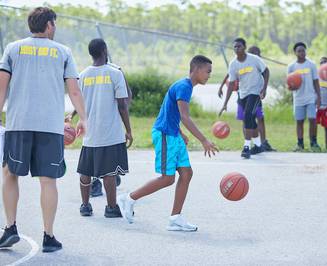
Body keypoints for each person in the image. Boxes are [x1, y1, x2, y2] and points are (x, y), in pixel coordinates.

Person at [0, 7, 87, 252]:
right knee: (48, 181)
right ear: (49, 25)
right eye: (54, 24)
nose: (55, 28)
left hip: (20, 123)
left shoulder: (13, 48)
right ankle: (49, 236)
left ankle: (10, 228)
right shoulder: (63, 51)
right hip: (50, 126)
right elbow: (74, 90)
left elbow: (1, 88)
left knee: (9, 173)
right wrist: (84, 119)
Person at [117, 55, 218, 231]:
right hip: (164, 134)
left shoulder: (185, 86)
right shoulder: (184, 87)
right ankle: (129, 198)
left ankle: (175, 218)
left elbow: (171, 112)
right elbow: (185, 116)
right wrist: (204, 140)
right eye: (208, 71)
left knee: (186, 173)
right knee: (167, 178)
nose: (209, 75)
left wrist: (180, 133)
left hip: (173, 134)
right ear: (196, 69)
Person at [69, 38, 132, 218]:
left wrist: (72, 116)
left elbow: (80, 100)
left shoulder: (83, 75)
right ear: (105, 50)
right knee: (109, 172)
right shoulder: (115, 73)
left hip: (90, 133)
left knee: (85, 171)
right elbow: (122, 105)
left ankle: (85, 206)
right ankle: (111, 208)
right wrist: (128, 129)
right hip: (110, 132)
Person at [217, 45, 275, 152]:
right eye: (254, 53)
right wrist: (221, 87)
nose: (256, 55)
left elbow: (266, 72)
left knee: (258, 118)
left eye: (258, 53)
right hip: (242, 95)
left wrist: (264, 89)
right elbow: (229, 76)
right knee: (247, 119)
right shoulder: (237, 63)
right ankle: (256, 144)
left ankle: (259, 143)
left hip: (255, 94)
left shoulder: (256, 62)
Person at [287, 42, 322, 152]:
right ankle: (300, 143)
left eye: (303, 50)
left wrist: (319, 97)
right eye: (299, 51)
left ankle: (313, 142)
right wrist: (291, 87)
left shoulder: (311, 64)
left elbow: (316, 81)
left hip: (310, 97)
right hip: (298, 99)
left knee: (313, 119)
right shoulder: (291, 67)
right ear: (295, 53)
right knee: (299, 121)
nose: (302, 53)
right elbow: (289, 84)